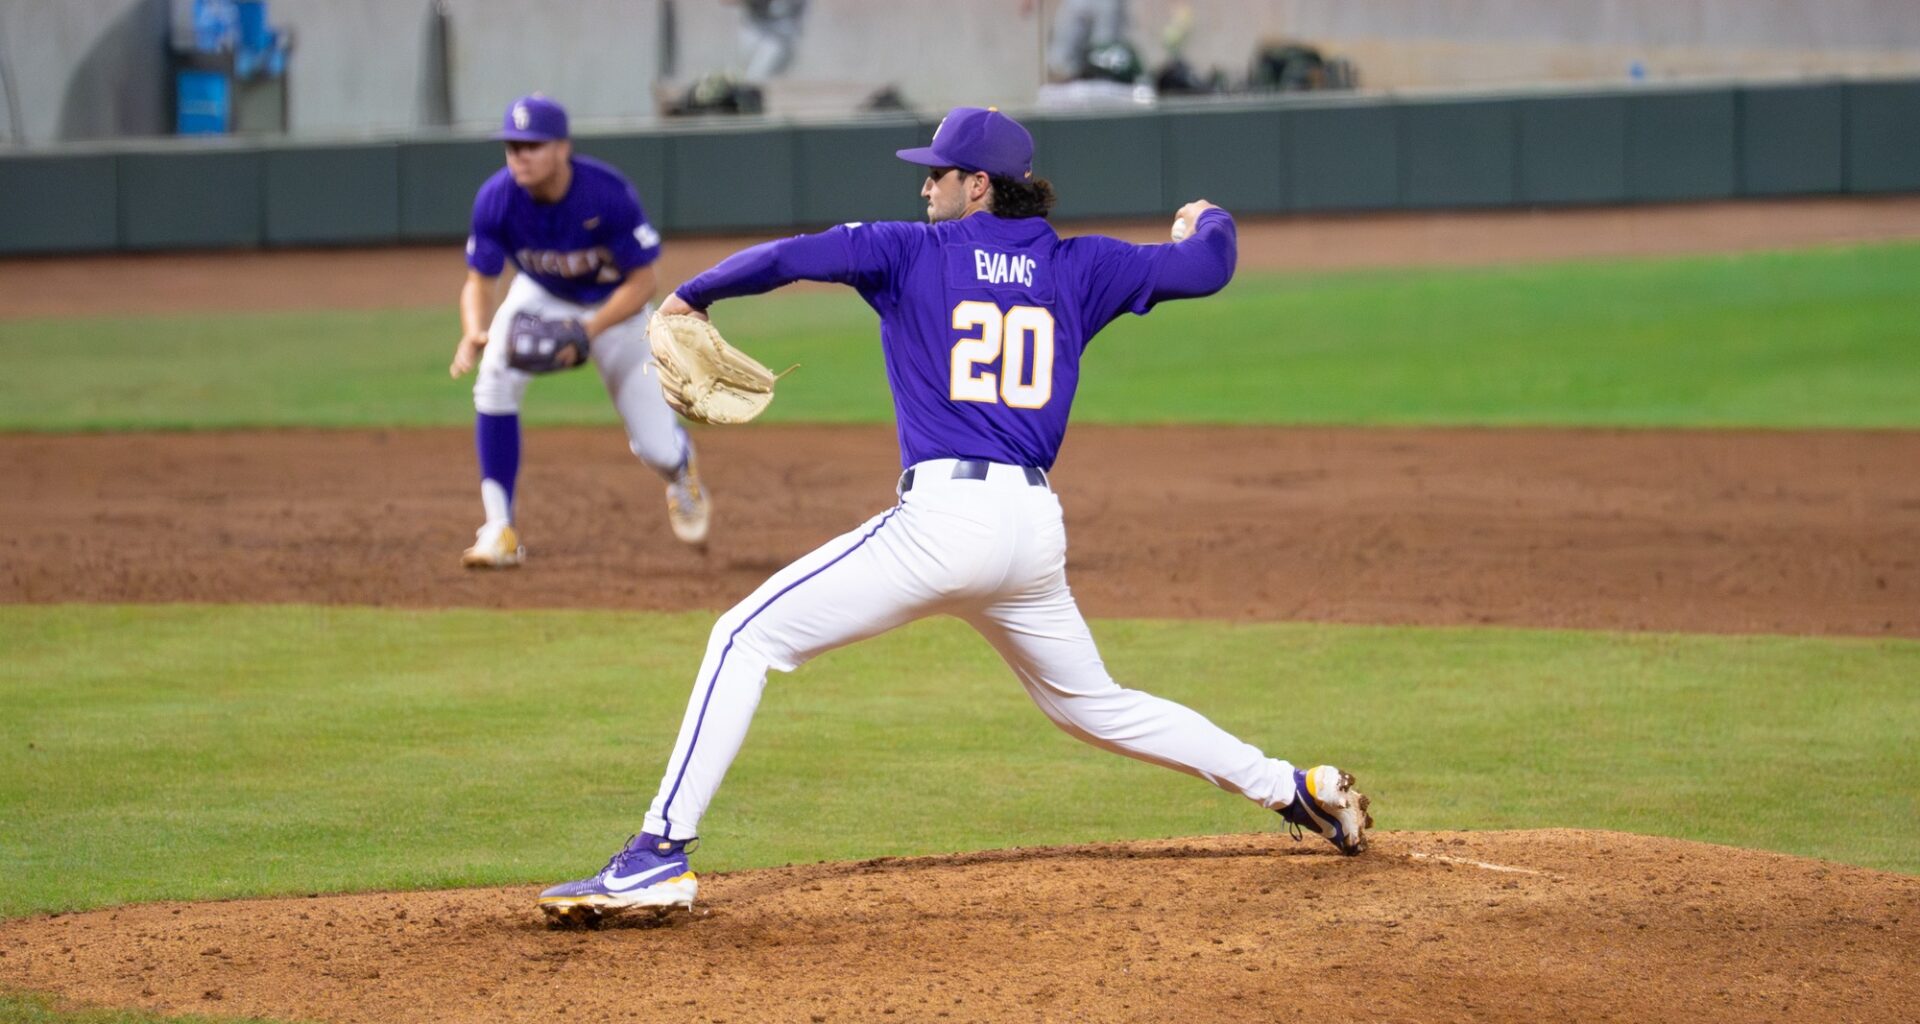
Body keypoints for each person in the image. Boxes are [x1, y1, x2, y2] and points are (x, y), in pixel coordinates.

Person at [537, 106, 1371, 922]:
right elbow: (1207, 267)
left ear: (978, 186)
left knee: (743, 637)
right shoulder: (1083, 266)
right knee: (1095, 706)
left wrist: (690, 297)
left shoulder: (908, 251)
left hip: (942, 525)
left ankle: (658, 852)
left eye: (935, 172)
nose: (923, 184)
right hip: (1031, 533)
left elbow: (791, 255)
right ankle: (1292, 789)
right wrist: (1209, 218)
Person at [449, 95, 709, 567]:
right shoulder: (497, 198)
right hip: (541, 294)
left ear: (562, 148)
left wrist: (588, 331)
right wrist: (474, 330)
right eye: (512, 145)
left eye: (532, 144)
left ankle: (679, 468)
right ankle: (498, 528)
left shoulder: (605, 193)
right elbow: (479, 281)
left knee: (656, 448)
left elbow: (644, 281)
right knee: (493, 382)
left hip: (616, 306)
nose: (519, 155)